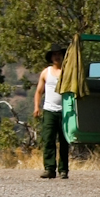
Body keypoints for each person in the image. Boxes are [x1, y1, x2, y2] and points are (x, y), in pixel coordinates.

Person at [34, 44, 68, 179]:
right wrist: (37, 107)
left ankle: (63, 170)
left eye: (59, 54)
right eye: (54, 54)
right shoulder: (46, 72)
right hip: (49, 110)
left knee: (64, 141)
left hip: (65, 112)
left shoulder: (67, 72)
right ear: (51, 57)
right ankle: (49, 168)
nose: (57, 56)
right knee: (48, 140)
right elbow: (38, 92)